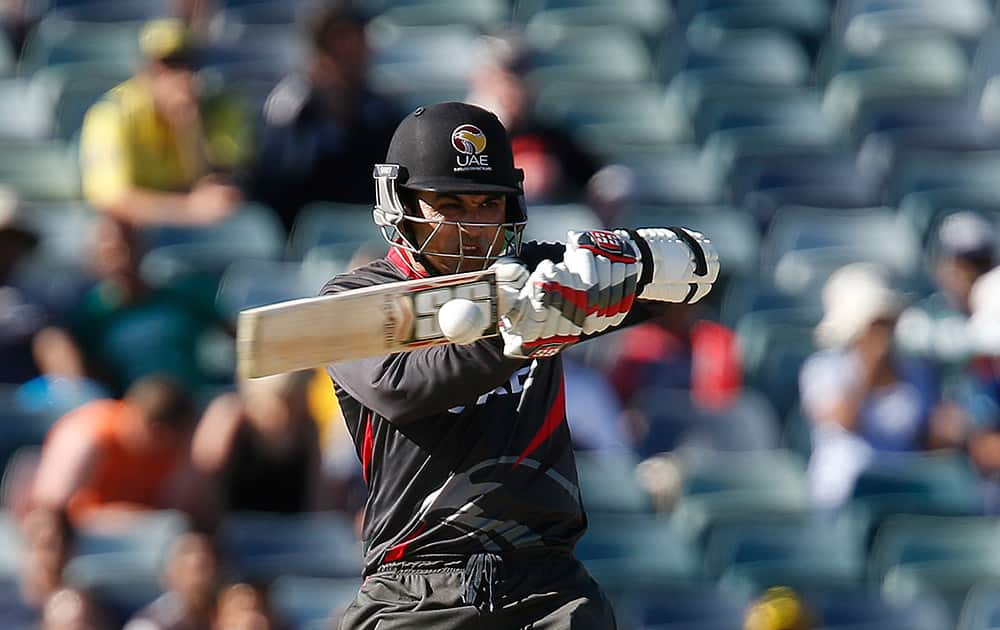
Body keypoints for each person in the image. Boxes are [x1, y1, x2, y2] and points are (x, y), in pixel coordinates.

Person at [324, 102, 718, 628]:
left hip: (550, 588)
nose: (472, 225)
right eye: (450, 204)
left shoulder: (534, 274)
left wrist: (626, 261)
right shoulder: (356, 297)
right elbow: (403, 388)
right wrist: (521, 335)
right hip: (420, 590)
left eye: (488, 204)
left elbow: (696, 272)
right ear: (399, 201)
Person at [79, 18, 249, 226]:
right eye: (166, 66)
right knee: (111, 236)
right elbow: (112, 198)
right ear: (144, 69)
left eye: (186, 64)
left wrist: (188, 129)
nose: (179, 75)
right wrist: (187, 210)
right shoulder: (112, 114)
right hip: (137, 225)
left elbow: (221, 182)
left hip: (186, 213)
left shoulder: (217, 106)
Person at [799, 264, 941, 511]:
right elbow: (842, 420)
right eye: (876, 324)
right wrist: (868, 374)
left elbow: (924, 437)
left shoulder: (916, 371)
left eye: (887, 323)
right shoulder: (823, 368)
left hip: (904, 490)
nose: (883, 334)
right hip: (843, 492)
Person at [250, 0, 401, 230]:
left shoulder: (379, 110)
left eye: (358, 43)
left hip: (372, 226)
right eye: (341, 46)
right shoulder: (289, 110)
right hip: (304, 229)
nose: (355, 55)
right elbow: (277, 182)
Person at [31, 375, 207, 528]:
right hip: (84, 541)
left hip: (146, 539)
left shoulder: (178, 445)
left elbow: (184, 513)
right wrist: (126, 519)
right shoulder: (88, 435)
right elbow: (50, 512)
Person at [466, 34, 598, 204]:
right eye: (500, 76)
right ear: (478, 80)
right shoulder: (460, 133)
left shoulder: (548, 134)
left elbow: (588, 176)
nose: (511, 85)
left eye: (518, 75)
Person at [192, 373, 322, 514]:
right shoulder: (229, 418)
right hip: (234, 529)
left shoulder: (307, 428)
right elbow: (203, 488)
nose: (286, 412)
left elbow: (318, 498)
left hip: (291, 530)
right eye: (283, 400)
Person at [897, 211, 996, 369]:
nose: (970, 273)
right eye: (960, 263)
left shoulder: (993, 292)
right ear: (940, 267)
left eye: (980, 262)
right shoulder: (929, 312)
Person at [124, 532, 221, 630]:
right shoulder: (147, 624)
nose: (198, 580)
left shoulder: (227, 615)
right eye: (186, 569)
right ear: (167, 575)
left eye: (205, 567)